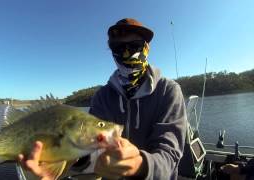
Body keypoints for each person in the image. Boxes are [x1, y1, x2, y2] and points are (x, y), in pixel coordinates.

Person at [19, 18, 187, 180]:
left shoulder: (169, 91)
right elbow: (92, 150)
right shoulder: (102, 97)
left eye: (134, 46)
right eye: (119, 48)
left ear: (146, 47)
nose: (127, 53)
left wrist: (139, 165)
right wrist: (75, 157)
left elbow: (170, 158)